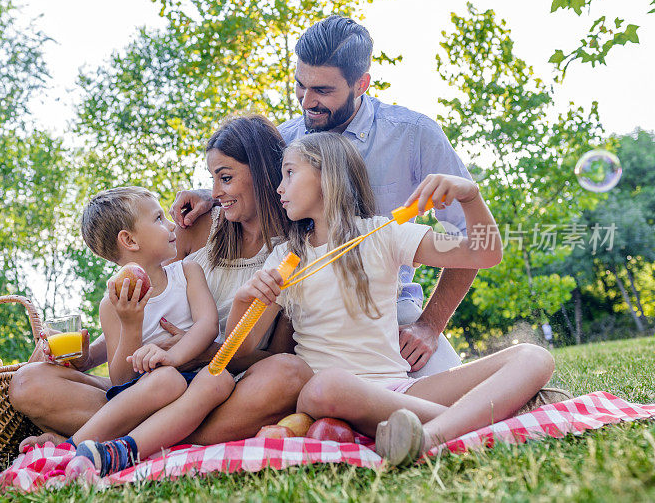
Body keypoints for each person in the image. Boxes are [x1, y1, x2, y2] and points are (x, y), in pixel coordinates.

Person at [171, 15, 474, 377]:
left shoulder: (413, 136)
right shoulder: (284, 140)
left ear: (361, 84)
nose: (307, 101)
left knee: (466, 402)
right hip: (304, 318)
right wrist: (211, 194)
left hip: (390, 312)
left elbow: (469, 233)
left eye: (323, 91)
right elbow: (247, 186)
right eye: (301, 85)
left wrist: (429, 326)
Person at [230, 133, 554, 466]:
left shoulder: (383, 233)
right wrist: (245, 300)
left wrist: (470, 196)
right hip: (327, 397)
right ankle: (476, 422)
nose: (279, 188)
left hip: (398, 393)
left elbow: (484, 253)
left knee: (533, 356)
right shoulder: (286, 258)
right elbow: (239, 349)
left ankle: (426, 437)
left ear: (326, 176)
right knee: (326, 385)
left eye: (289, 173)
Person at [9, 117, 314, 447]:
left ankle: (117, 438)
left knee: (289, 374)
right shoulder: (197, 225)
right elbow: (150, 303)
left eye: (225, 178)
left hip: (222, 388)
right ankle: (146, 435)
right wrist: (87, 356)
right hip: (149, 387)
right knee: (28, 382)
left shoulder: (294, 254)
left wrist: (197, 351)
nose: (214, 193)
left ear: (263, 173)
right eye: (213, 180)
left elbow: (275, 357)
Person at [41, 185, 235, 475]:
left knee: (221, 379)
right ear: (129, 240)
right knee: (167, 380)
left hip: (193, 376)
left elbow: (207, 326)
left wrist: (172, 356)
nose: (171, 225)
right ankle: (74, 448)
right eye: (158, 219)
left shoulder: (187, 271)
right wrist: (131, 325)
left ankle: (117, 450)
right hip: (149, 390)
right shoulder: (112, 303)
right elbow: (121, 378)